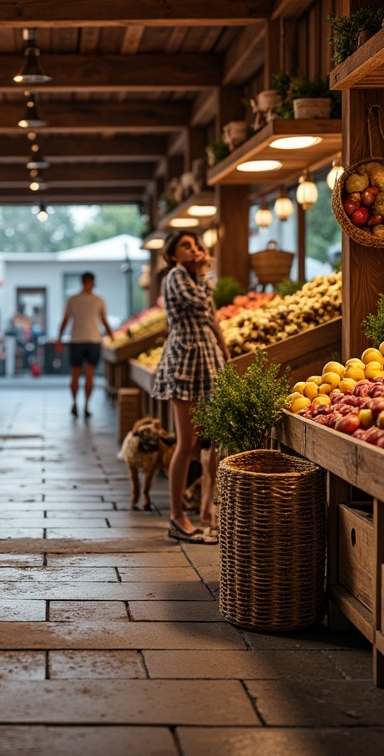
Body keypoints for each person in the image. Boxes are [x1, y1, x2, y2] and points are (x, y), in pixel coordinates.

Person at [151, 231, 230, 544]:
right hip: (185, 359)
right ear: (172, 256)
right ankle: (176, 516)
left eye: (196, 244)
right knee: (187, 443)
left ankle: (207, 510)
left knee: (209, 442)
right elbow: (200, 300)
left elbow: (211, 317)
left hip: (207, 357)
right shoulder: (176, 277)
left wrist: (224, 349)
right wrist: (204, 271)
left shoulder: (196, 276)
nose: (195, 249)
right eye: (186, 246)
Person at [55, 272, 114, 418]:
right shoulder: (98, 300)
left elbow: (65, 319)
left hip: (78, 340)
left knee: (79, 374)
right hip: (92, 340)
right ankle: (83, 405)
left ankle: (78, 404)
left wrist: (59, 337)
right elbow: (104, 320)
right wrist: (112, 335)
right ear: (90, 282)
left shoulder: (73, 299)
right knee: (87, 375)